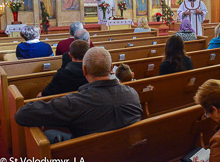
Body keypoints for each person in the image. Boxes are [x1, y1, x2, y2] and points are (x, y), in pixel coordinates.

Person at [15, 47, 143, 143]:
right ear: (111, 68)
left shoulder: (75, 102)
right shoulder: (132, 93)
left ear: (84, 70)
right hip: (126, 153)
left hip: (89, 157)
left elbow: (21, 115)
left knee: (48, 134)